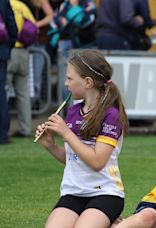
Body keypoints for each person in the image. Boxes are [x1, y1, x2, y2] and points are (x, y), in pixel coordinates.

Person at [35, 50, 129, 227]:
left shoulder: (111, 115)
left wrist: (67, 134)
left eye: (70, 78)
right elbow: (74, 158)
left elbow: (97, 162)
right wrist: (51, 146)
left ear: (87, 82)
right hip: (73, 192)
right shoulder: (72, 111)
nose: (66, 83)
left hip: (105, 193)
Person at [6, 0, 36, 138]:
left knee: (3, 92)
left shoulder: (5, 5)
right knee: (23, 94)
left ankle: (3, 129)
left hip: (8, 52)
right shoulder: (22, 6)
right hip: (24, 53)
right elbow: (34, 28)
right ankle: (25, 128)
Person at [0, 0, 18, 145]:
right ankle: (2, 135)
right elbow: (12, 28)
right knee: (0, 93)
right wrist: (7, 46)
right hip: (1, 53)